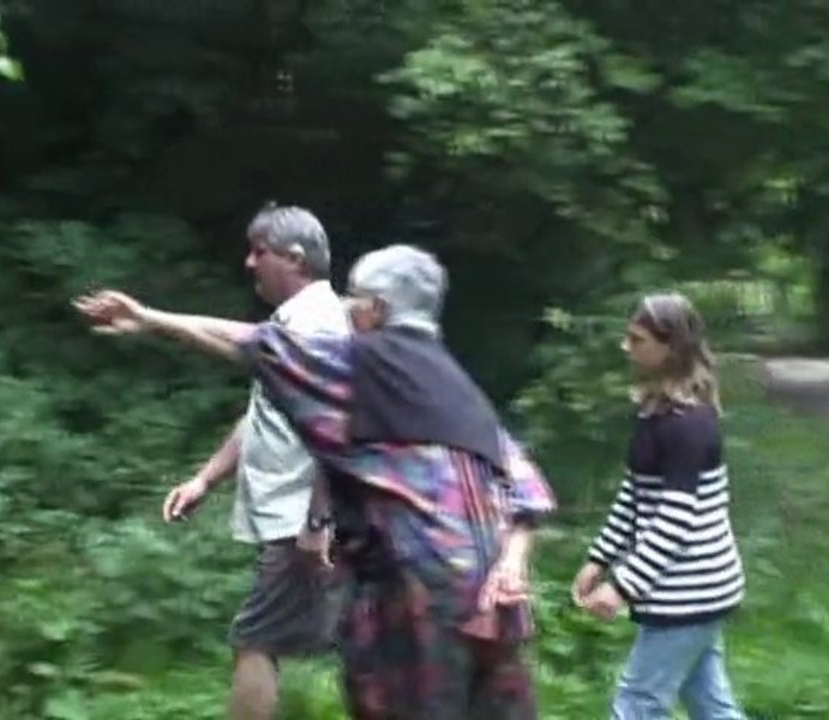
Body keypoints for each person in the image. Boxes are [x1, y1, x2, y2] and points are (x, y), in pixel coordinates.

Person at [74, 244, 556, 720]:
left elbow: (254, 345)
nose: (345, 307)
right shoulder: (459, 387)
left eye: (353, 297)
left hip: (414, 597)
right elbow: (527, 491)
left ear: (375, 309)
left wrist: (152, 319)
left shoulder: (361, 363)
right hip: (492, 601)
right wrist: (512, 563)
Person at [161, 204, 350, 720]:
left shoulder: (313, 327)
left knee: (256, 639)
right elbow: (263, 417)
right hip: (302, 520)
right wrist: (205, 479)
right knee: (359, 642)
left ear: (293, 258)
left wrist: (318, 522)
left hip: (303, 522)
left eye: (258, 251)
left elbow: (338, 430)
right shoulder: (296, 323)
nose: (248, 263)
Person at [571, 292, 746, 720]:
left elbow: (675, 518)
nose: (626, 347)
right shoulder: (656, 412)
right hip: (688, 590)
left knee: (637, 704)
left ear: (670, 346)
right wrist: (600, 558)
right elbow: (636, 496)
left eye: (637, 339)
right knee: (710, 705)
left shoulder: (688, 424)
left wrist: (622, 586)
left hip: (690, 589)